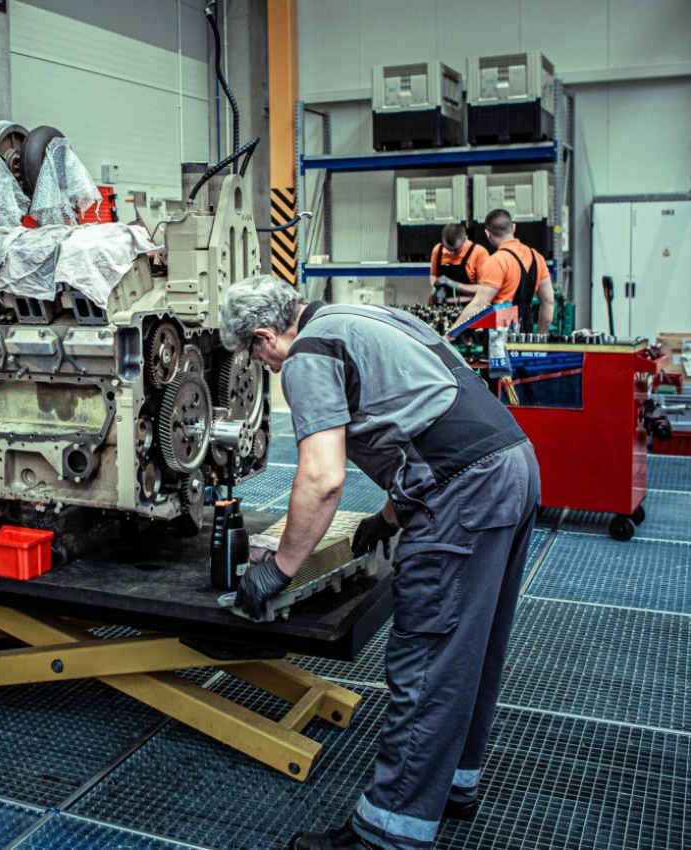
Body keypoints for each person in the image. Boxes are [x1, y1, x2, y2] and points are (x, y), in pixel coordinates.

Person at [220, 277, 540, 850]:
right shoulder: (365, 317)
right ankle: (452, 784)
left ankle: (389, 832)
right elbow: (430, 418)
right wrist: (387, 518)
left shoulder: (309, 354)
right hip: (512, 465)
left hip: (464, 495)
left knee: (428, 657)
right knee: (473, 644)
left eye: (254, 353)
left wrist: (279, 569)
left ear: (267, 334)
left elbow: (322, 478)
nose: (263, 366)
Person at [452, 209, 555, 334]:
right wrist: (539, 339)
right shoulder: (537, 257)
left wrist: (449, 334)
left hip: (499, 339)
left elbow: (478, 304)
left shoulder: (496, 261)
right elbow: (548, 302)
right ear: (513, 228)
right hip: (526, 336)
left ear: (487, 234)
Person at [428, 223, 487, 306]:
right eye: (447, 249)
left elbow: (482, 290)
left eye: (455, 250)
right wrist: (436, 285)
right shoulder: (438, 250)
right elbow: (433, 275)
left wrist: (454, 284)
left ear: (466, 239)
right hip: (441, 304)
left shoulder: (479, 253)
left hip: (469, 306)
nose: (451, 253)